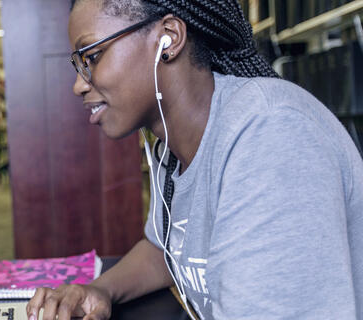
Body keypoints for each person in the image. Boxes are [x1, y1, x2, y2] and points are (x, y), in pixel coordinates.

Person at [25, 0, 363, 319]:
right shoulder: (168, 147)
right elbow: (166, 251)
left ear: (168, 38)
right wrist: (99, 290)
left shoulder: (271, 134)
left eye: (93, 56)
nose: (77, 86)